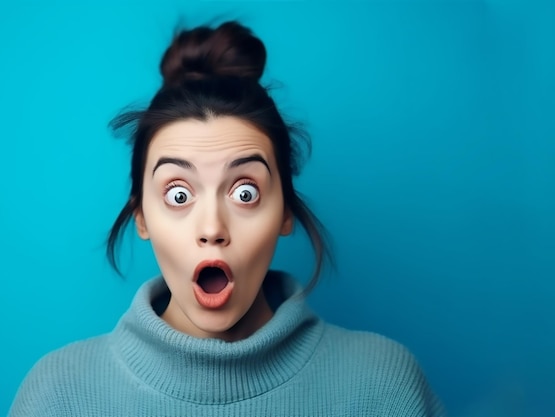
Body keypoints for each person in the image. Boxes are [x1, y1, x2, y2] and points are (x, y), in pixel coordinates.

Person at [9, 21, 446, 416]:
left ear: (285, 212)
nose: (213, 229)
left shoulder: (384, 387)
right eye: (178, 194)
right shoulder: (58, 396)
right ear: (141, 217)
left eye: (245, 192)